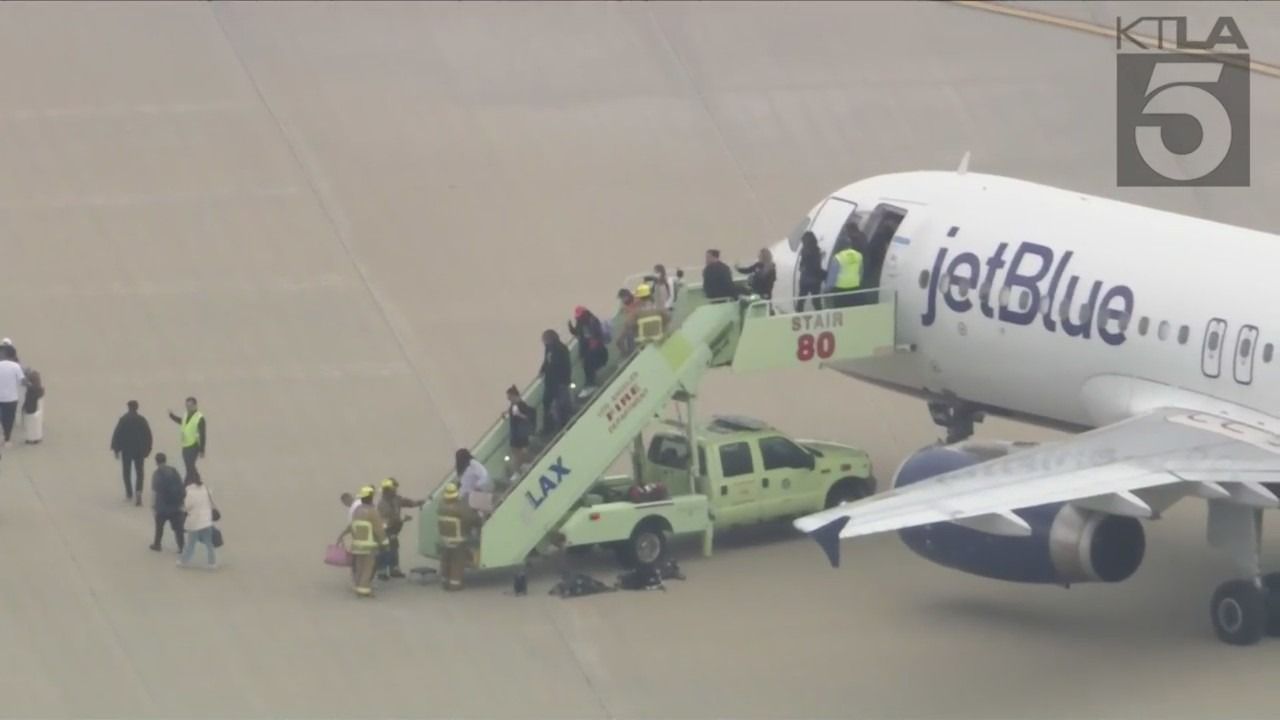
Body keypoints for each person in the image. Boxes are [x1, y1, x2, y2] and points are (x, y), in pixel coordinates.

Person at [376, 477, 425, 580]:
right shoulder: (383, 504)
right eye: (394, 488)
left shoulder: (396, 499)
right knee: (385, 550)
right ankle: (382, 571)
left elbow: (407, 502)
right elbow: (390, 519)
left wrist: (418, 503)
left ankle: (394, 569)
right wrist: (403, 519)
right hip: (386, 530)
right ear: (388, 490)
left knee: (394, 548)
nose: (396, 490)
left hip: (394, 529)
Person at [436, 482, 479, 591]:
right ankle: (455, 585)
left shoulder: (441, 505)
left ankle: (444, 581)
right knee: (457, 563)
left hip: (445, 539)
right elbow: (471, 519)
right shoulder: (459, 508)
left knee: (446, 560)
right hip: (458, 540)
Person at [348, 485, 388, 597]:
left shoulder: (356, 510)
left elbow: (352, 526)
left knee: (359, 566)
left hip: (357, 545)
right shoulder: (372, 512)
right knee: (367, 568)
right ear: (371, 497)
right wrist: (385, 543)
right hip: (369, 546)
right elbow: (379, 529)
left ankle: (357, 586)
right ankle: (364, 590)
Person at [111, 400, 154, 505]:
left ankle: (129, 493)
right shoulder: (142, 420)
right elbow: (148, 435)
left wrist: (116, 449)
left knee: (126, 472)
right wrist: (147, 449)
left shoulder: (124, 419)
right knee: (140, 472)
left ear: (128, 407)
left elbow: (117, 434)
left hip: (127, 450)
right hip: (139, 450)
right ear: (137, 408)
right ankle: (138, 491)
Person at [178, 473, 217, 570]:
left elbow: (187, 506)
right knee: (209, 543)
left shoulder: (189, 491)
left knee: (191, 543)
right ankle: (212, 563)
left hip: (194, 521)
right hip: (207, 520)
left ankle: (184, 561)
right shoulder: (207, 489)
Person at [150, 453, 186, 553]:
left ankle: (157, 544)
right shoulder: (174, 471)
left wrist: (153, 506)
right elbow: (181, 485)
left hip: (162, 506)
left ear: (156, 462)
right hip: (175, 505)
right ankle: (182, 546)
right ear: (165, 460)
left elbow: (154, 491)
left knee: (159, 527)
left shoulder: (157, 474)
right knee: (178, 529)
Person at [539, 330, 573, 436]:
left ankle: (562, 425)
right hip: (550, 383)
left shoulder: (561, 348)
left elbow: (562, 366)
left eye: (545, 339)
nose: (544, 342)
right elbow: (546, 361)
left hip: (559, 382)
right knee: (546, 403)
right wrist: (542, 370)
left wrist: (564, 380)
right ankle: (548, 427)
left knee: (561, 404)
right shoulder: (549, 348)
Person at [567, 306, 608, 387]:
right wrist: (571, 328)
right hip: (585, 349)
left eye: (580, 316)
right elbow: (577, 333)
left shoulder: (592, 321)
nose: (579, 318)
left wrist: (594, 344)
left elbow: (597, 334)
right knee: (587, 367)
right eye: (578, 317)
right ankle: (591, 382)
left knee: (590, 366)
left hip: (595, 348)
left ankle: (592, 383)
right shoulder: (580, 323)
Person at [824, 229, 865, 309]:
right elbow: (861, 272)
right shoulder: (858, 255)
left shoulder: (838, 258)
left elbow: (833, 276)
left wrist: (827, 289)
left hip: (841, 290)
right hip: (855, 287)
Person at [168, 397, 206, 479]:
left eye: (190, 406)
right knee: (189, 465)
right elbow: (182, 422)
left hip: (193, 445)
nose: (188, 408)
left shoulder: (199, 418)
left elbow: (203, 434)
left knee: (190, 465)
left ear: (195, 405)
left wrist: (202, 450)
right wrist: (172, 416)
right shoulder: (186, 414)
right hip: (185, 444)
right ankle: (196, 480)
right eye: (187, 406)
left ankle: (191, 481)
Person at [505, 386, 536, 474]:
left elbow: (526, 417)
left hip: (520, 433)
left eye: (510, 397)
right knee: (516, 453)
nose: (509, 399)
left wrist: (519, 414)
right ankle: (520, 468)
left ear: (514, 396)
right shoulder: (513, 406)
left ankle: (528, 464)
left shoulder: (522, 405)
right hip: (516, 432)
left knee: (521, 452)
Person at [0, 345, 24, 447]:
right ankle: (7, 439)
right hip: (11, 398)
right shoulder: (16, 366)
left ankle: (3, 436)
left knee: (1, 418)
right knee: (9, 419)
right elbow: (22, 381)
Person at [796, 231, 825, 311]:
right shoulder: (816, 250)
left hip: (804, 280)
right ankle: (821, 316)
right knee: (816, 302)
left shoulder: (804, 251)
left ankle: (797, 318)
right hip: (814, 280)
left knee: (801, 301)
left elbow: (801, 266)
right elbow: (816, 266)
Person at [20, 367, 43, 445]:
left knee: (29, 425)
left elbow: (24, 383)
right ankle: (37, 437)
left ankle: (31, 439)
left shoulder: (30, 389)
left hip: (30, 409)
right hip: (37, 409)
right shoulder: (39, 388)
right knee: (36, 425)